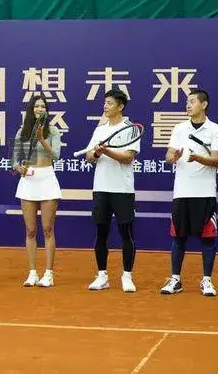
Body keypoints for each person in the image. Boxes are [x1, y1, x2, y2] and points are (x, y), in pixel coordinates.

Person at [160, 89, 218, 297]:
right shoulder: (179, 128)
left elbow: (215, 160)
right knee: (179, 237)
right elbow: (169, 156)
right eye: (187, 101)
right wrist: (174, 157)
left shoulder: (215, 129)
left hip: (205, 192)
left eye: (192, 101)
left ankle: (207, 281)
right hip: (182, 192)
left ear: (204, 105)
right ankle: (175, 280)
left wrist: (198, 158)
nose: (188, 105)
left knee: (207, 239)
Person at [85, 89, 140, 292]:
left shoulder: (131, 129)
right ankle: (102, 276)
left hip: (123, 190)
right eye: (105, 103)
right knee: (101, 233)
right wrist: (97, 153)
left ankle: (127, 276)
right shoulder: (100, 129)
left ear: (120, 106)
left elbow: (127, 157)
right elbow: (89, 157)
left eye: (109, 103)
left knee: (126, 233)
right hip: (101, 188)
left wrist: (107, 150)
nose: (105, 106)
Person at [12, 95, 62, 287]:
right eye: (36, 106)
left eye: (43, 106)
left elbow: (56, 155)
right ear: (31, 109)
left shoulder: (53, 131)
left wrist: (42, 139)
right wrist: (19, 168)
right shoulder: (22, 131)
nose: (40, 109)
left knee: (47, 229)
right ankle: (32, 273)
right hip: (28, 181)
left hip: (47, 178)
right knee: (31, 230)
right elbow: (15, 159)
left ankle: (48, 274)